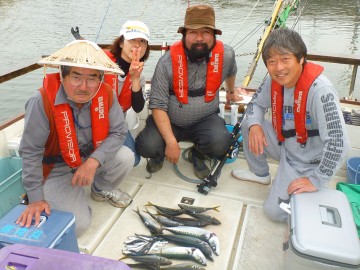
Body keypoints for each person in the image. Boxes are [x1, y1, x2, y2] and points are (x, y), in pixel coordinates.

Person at [16, 40, 134, 236]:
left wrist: (94, 161)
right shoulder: (41, 101)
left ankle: (100, 188)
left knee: (126, 156)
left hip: (89, 157)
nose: (84, 86)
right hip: (56, 169)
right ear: (63, 76)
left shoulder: (107, 94)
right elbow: (30, 152)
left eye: (92, 78)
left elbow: (119, 132)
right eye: (76, 77)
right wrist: (36, 197)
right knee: (78, 226)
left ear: (101, 78)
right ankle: (71, 195)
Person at [231, 28, 350, 222]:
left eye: (285, 59)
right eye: (271, 61)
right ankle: (261, 174)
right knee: (249, 122)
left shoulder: (321, 91)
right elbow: (256, 105)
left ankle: (306, 196)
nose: (278, 68)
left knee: (274, 212)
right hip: (285, 145)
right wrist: (254, 126)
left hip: (308, 161)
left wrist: (316, 180)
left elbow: (339, 143)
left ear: (301, 58)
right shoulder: (273, 80)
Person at [135, 4, 238, 179]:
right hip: (171, 120)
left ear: (214, 35)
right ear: (183, 35)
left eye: (206, 32)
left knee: (222, 142)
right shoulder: (166, 63)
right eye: (192, 32)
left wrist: (230, 92)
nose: (199, 38)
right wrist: (171, 142)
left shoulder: (226, 54)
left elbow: (231, 71)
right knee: (146, 145)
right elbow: (158, 105)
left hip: (206, 119)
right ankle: (159, 154)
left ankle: (198, 154)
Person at [104, 20, 150, 166]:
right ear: (121, 43)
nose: (137, 45)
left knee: (134, 161)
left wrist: (135, 78)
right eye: (132, 40)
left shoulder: (139, 75)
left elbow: (137, 107)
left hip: (117, 124)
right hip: (94, 119)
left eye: (142, 41)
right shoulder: (101, 64)